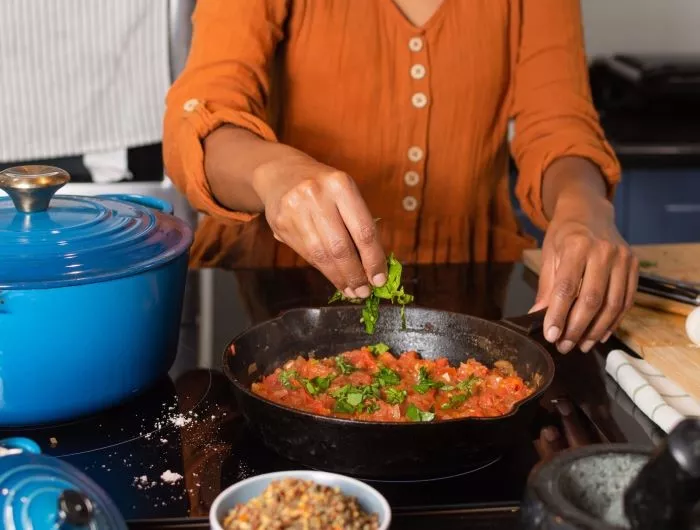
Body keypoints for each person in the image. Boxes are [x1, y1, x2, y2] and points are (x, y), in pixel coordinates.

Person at [163, 0, 639, 354]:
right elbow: (202, 119)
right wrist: (273, 173)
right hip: (277, 294)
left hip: (472, 299)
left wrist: (584, 211)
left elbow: (559, 124)